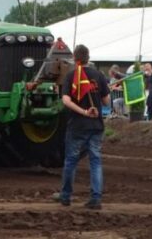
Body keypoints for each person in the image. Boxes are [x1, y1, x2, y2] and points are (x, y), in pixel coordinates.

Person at [55, 44, 110, 210]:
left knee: (71, 160)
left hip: (77, 125)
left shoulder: (72, 75)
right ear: (88, 57)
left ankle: (65, 196)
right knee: (95, 161)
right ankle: (96, 198)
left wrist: (83, 112)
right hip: (96, 125)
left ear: (75, 57)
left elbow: (66, 100)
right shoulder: (99, 75)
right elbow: (106, 101)